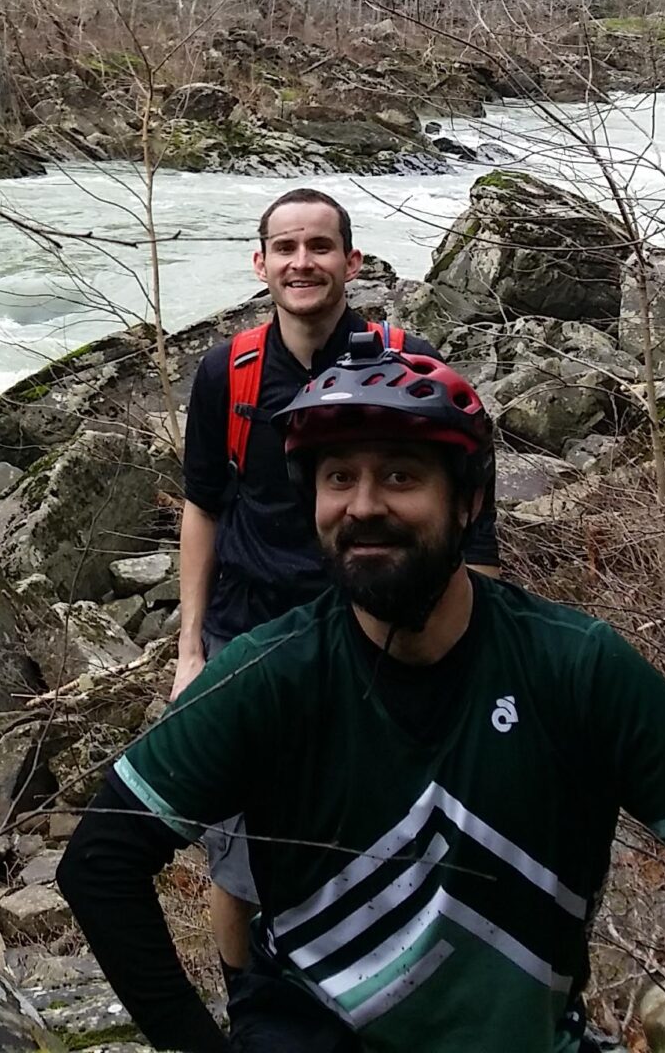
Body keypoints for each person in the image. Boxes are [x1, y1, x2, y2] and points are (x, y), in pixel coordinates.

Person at [62, 343, 665, 1051]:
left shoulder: (574, 668)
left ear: (468, 503)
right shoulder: (268, 673)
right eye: (337, 478)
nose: (361, 506)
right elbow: (101, 862)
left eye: (399, 476)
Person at [175, 188, 501, 1020]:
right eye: (285, 248)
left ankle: (374, 993)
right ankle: (251, 1001)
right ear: (260, 265)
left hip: (375, 636)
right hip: (249, 636)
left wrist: (473, 661)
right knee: (238, 856)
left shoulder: (408, 363)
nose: (302, 262)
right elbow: (205, 506)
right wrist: (188, 653)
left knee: (374, 825)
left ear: (353, 263)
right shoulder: (230, 372)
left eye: (320, 246)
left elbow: (471, 520)